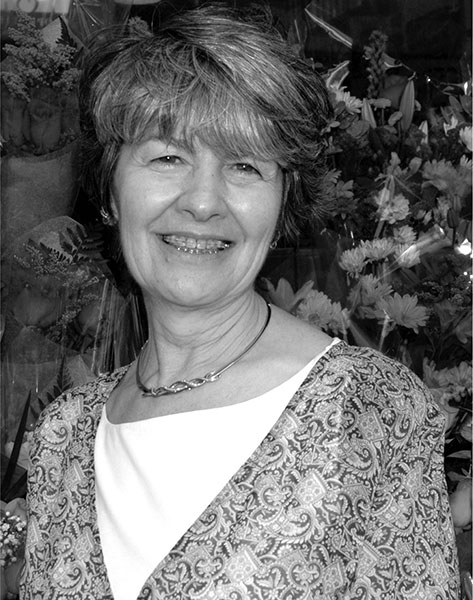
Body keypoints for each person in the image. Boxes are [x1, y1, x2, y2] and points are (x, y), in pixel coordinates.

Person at [20, 4, 459, 599]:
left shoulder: (368, 415)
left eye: (245, 165)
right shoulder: (63, 438)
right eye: (168, 157)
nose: (203, 202)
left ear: (281, 206)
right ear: (110, 192)